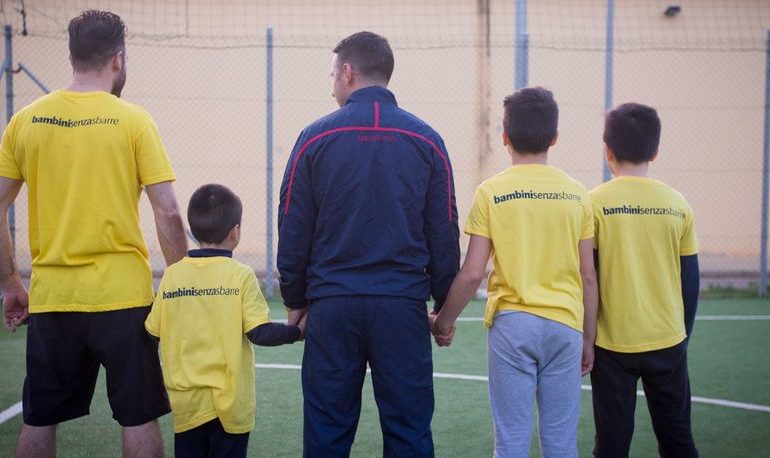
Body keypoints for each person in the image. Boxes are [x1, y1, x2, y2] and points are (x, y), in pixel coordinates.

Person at [0, 10, 188, 457]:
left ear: (71, 55)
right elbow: (169, 212)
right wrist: (183, 283)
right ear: (118, 60)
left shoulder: (26, 120)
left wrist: (9, 283)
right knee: (139, 416)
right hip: (122, 299)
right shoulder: (135, 120)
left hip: (52, 298)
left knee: (39, 417)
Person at [277, 31, 460, 456]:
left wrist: (296, 298)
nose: (332, 85)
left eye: (332, 74)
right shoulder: (427, 139)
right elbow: (443, 228)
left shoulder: (314, 137)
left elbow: (293, 225)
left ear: (347, 72)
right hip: (401, 309)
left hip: (333, 306)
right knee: (409, 431)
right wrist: (442, 302)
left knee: (326, 431)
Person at [432, 87, 598, 457]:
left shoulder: (491, 192)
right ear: (554, 138)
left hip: (513, 325)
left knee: (511, 442)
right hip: (565, 325)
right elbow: (588, 275)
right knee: (560, 442)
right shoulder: (578, 195)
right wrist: (589, 337)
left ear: (504, 136)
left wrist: (444, 321)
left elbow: (473, 272)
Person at [145, 184, 306, 458]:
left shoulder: (172, 276)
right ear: (236, 231)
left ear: (193, 232)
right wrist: (297, 332)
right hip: (230, 406)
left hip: (186, 405)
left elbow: (152, 330)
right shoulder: (241, 276)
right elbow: (260, 332)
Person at [589, 103, 699, 458]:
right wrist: (681, 333)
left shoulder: (592, 203)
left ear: (607, 149)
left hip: (611, 344)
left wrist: (587, 336)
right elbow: (690, 280)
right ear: (655, 150)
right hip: (667, 339)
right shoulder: (677, 203)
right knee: (677, 440)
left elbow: (586, 275)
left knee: (611, 445)